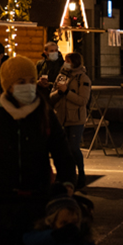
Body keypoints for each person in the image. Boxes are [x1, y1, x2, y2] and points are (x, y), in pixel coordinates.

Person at [0, 55, 56, 191]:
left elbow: (63, 155)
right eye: (21, 82)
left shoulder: (45, 116)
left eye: (32, 81)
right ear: (9, 85)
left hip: (38, 199)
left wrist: (66, 183)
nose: (28, 86)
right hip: (2, 200)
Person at [48, 50, 92, 183]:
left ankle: (81, 173)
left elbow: (83, 101)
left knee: (73, 147)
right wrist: (59, 93)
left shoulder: (83, 79)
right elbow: (51, 97)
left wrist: (66, 92)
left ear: (75, 63)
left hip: (75, 119)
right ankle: (67, 176)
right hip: (60, 117)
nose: (65, 64)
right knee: (62, 149)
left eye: (68, 61)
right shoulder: (61, 76)